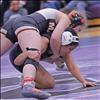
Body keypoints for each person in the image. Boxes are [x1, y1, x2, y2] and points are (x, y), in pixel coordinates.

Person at [0, 8, 96, 99]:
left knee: (49, 83)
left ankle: (27, 77)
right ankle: (28, 84)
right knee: (34, 53)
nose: (77, 33)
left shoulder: (58, 37)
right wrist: (56, 56)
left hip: (14, 25)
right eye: (78, 30)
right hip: (24, 31)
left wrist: (83, 81)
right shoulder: (62, 23)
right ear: (72, 25)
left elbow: (72, 65)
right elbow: (54, 39)